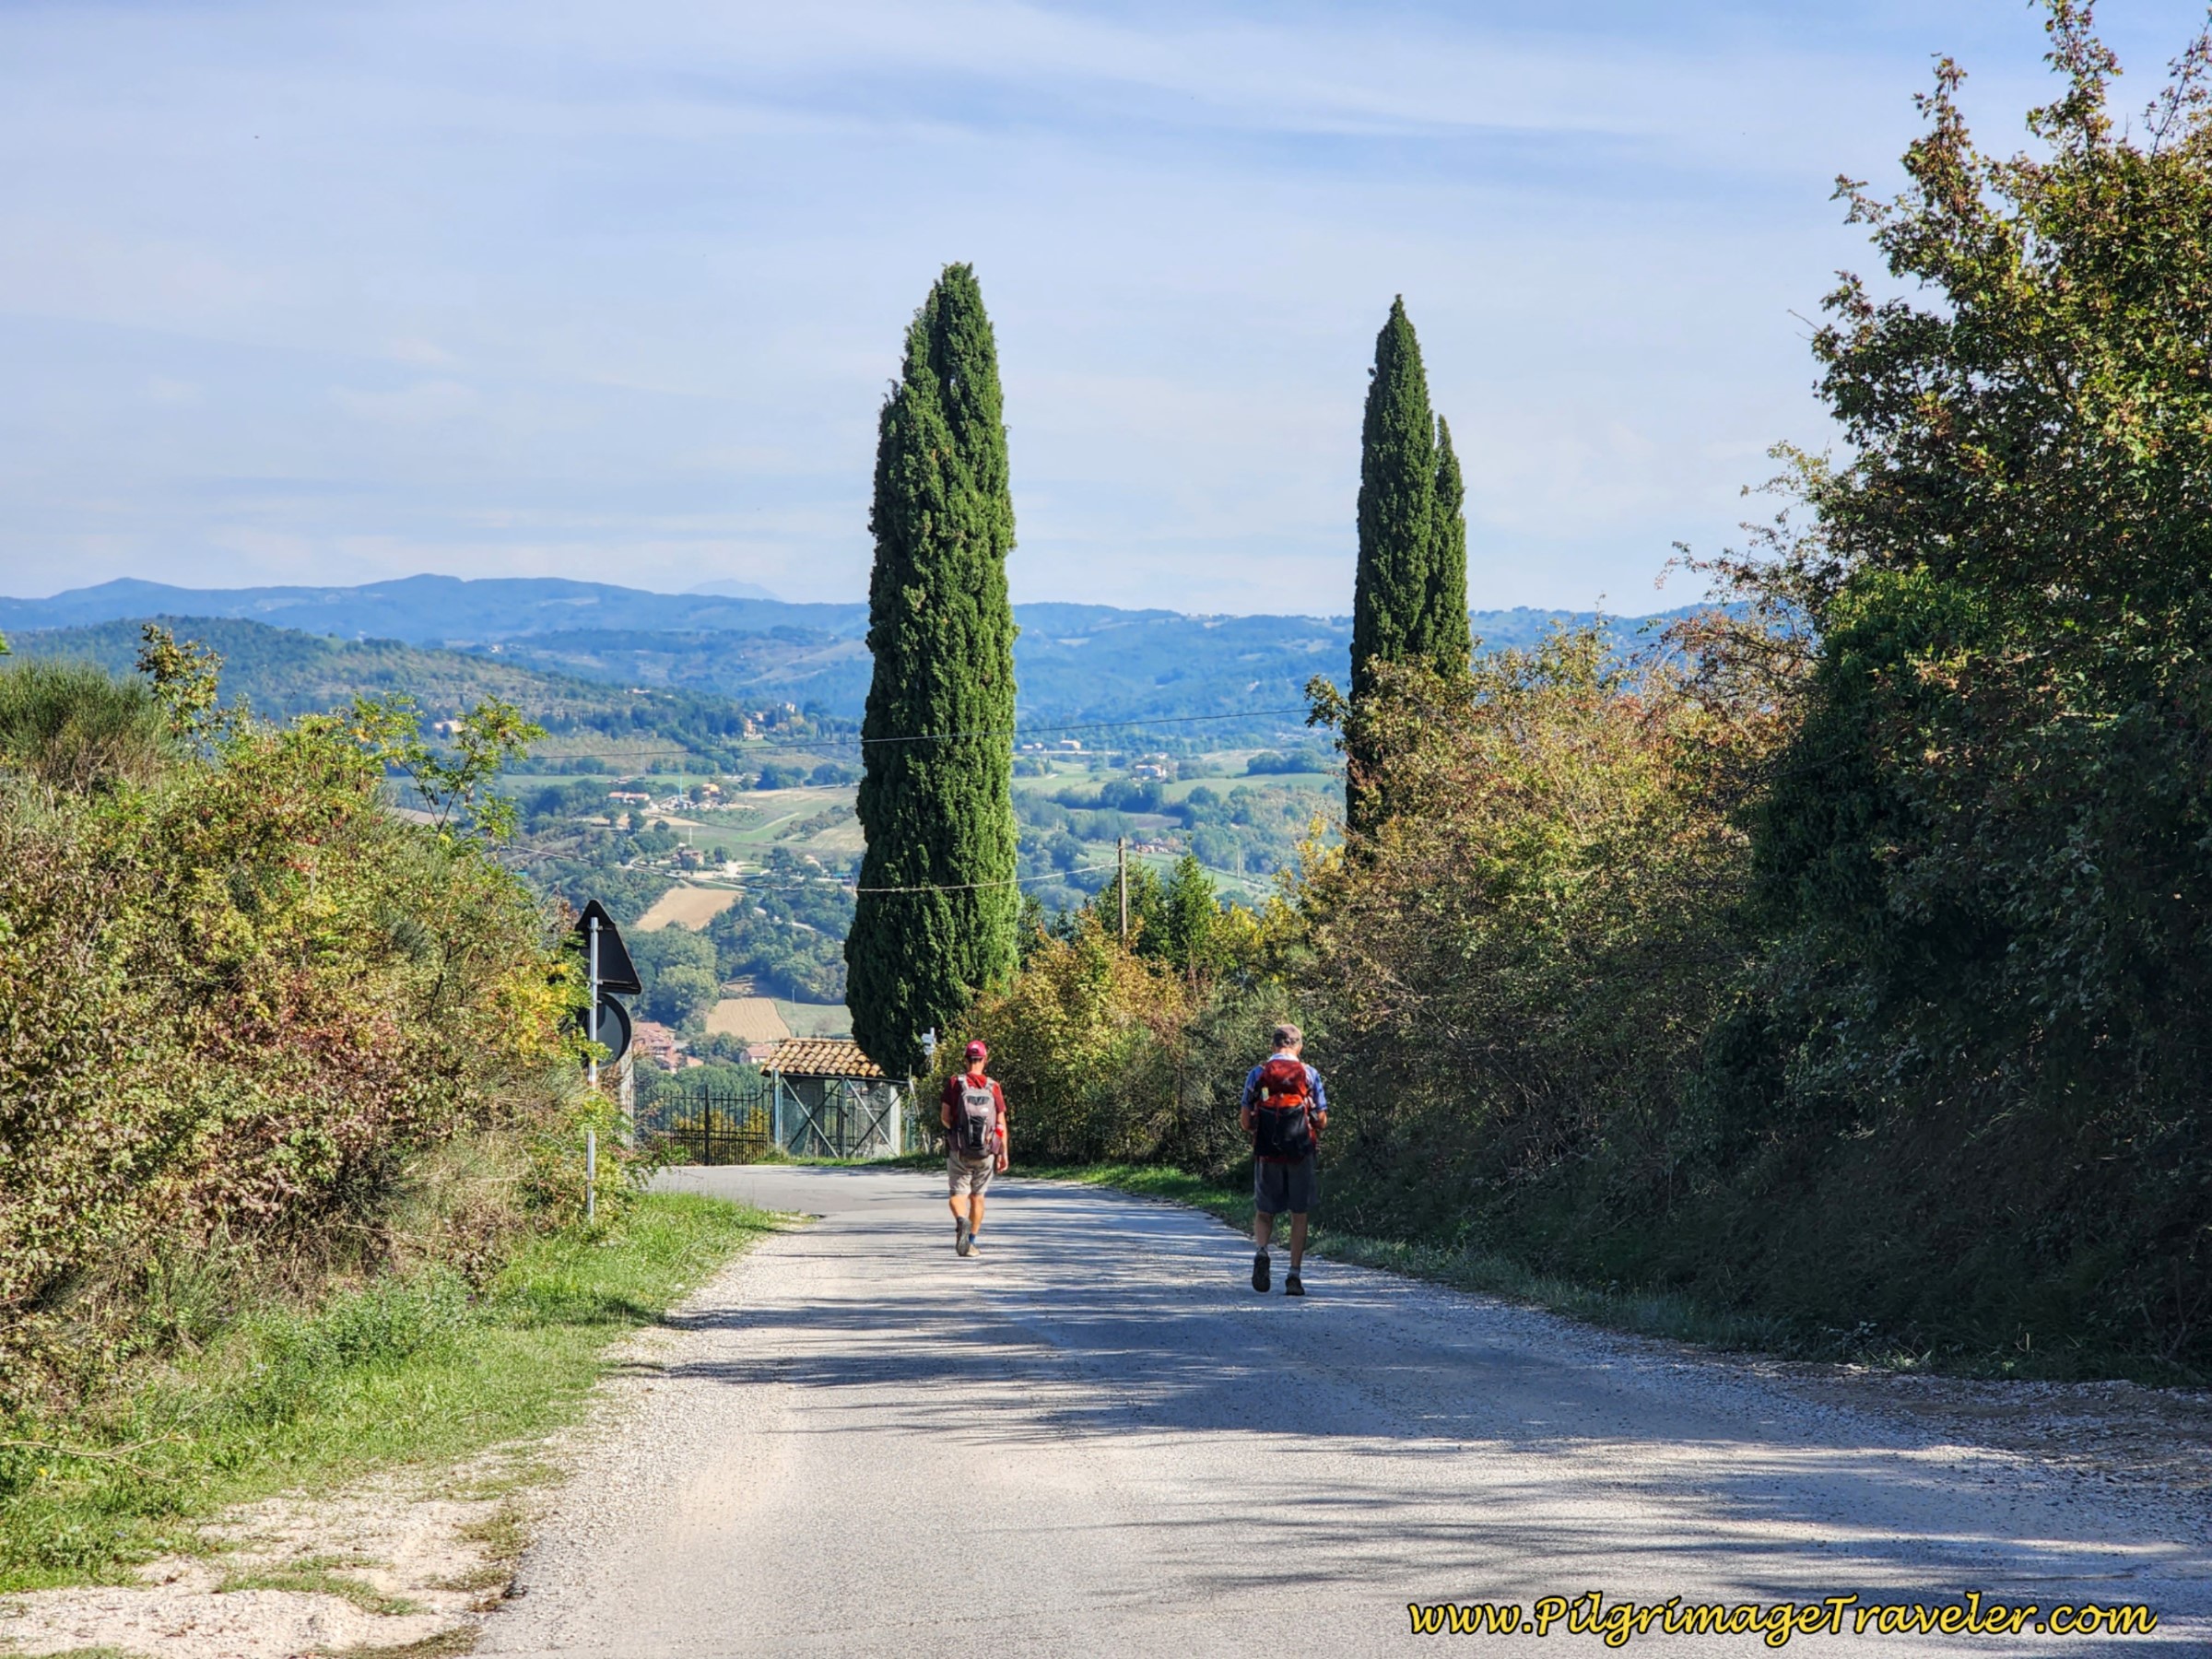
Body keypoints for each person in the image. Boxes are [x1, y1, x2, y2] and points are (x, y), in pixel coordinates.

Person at [1241, 1022, 1326, 1296]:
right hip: (1300, 1153)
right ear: (1298, 1046)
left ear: (1273, 1045)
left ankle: (1263, 1251)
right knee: (1298, 1214)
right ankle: (1293, 1276)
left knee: (1265, 1212)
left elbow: (1245, 1122)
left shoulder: (1257, 1074)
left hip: (1267, 1153)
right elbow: (1321, 1121)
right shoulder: (1310, 1074)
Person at [940, 1039, 1008, 1257]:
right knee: (977, 1197)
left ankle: (961, 1219)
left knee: (957, 1194)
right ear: (985, 1060)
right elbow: (1000, 1124)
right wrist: (1003, 1151)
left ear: (965, 1060)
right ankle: (970, 1243)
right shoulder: (993, 1086)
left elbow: (944, 1117)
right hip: (986, 1151)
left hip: (959, 1150)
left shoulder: (955, 1083)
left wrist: (955, 1132)